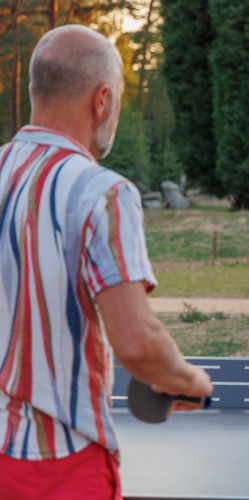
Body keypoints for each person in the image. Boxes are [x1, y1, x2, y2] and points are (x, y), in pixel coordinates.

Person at [0, 25, 213, 499]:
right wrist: (190, 380)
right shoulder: (103, 192)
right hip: (58, 465)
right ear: (101, 101)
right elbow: (137, 343)